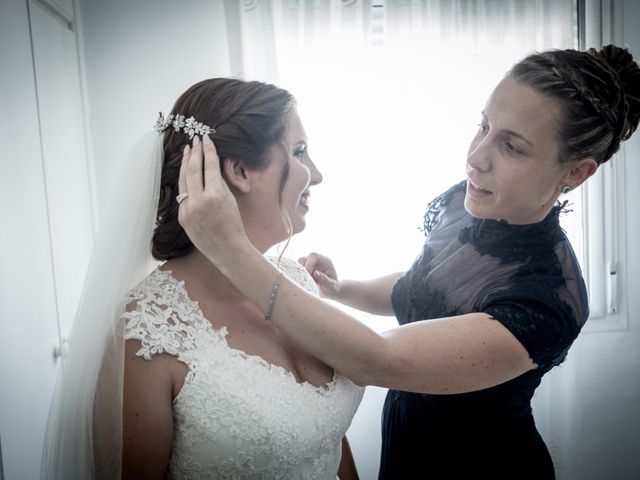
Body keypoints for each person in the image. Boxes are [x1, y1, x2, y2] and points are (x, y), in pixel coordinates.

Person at [174, 45, 640, 479]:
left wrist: (231, 250)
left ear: (575, 173)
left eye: (512, 147)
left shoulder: (547, 299)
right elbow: (425, 285)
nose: (476, 159)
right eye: (483, 127)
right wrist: (343, 289)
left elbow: (378, 360)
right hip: (406, 447)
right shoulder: (469, 203)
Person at [41, 78, 363, 480]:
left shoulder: (296, 280)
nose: (316, 175)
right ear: (240, 171)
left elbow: (331, 440)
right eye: (299, 152)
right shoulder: (147, 333)